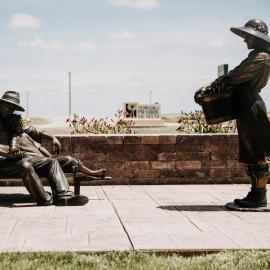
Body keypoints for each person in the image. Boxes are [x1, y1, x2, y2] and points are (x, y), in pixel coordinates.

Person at [196, 19, 270, 208]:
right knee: (250, 151)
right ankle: (255, 194)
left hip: (251, 104)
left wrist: (212, 86)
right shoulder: (256, 54)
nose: (245, 40)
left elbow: (235, 76)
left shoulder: (261, 56)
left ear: (256, 36)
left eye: (247, 36)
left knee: (257, 151)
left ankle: (259, 196)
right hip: (245, 103)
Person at [0, 90, 89, 206]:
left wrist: (51, 137)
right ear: (1, 103)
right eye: (8, 106)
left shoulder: (10, 120)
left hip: (15, 159)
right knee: (25, 166)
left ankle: (64, 196)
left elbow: (31, 130)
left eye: (13, 108)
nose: (10, 110)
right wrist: (7, 153)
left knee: (52, 161)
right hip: (2, 161)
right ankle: (44, 199)